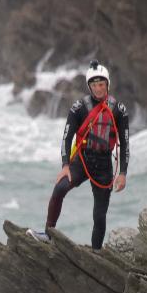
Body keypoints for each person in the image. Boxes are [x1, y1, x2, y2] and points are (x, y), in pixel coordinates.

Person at [33, 60, 130, 250]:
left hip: (103, 167)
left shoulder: (119, 110)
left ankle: (95, 253)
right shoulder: (79, 107)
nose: (98, 89)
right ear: (89, 86)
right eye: (94, 85)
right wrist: (65, 166)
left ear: (107, 85)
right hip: (81, 161)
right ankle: (48, 234)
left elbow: (125, 144)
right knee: (59, 189)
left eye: (101, 84)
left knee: (99, 216)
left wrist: (123, 173)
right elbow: (67, 137)